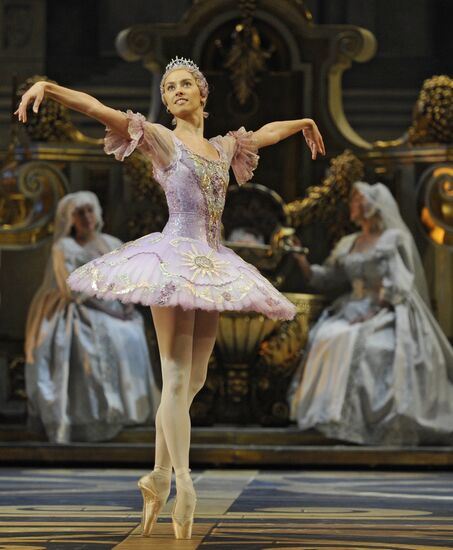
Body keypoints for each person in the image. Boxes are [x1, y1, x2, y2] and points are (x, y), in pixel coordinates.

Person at [15, 56, 325, 540]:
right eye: (169, 88)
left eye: (185, 85)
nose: (177, 92)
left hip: (212, 263)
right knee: (177, 378)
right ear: (165, 100)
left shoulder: (223, 148)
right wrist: (49, 87)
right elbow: (101, 110)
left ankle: (156, 475)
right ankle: (183, 482)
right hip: (173, 261)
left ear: (203, 94)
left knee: (193, 379)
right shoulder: (162, 139)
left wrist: (304, 121)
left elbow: (265, 134)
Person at [289, 181, 453, 446]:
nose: (352, 206)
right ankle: (329, 417)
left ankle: (362, 421)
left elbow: (399, 282)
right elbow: (329, 278)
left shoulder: (391, 240)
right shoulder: (349, 242)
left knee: (368, 344)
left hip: (384, 308)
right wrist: (302, 262)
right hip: (352, 306)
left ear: (371, 206)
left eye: (357, 201)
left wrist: (375, 310)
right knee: (329, 335)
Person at [25, 191, 159, 444]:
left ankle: (130, 408)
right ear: (70, 219)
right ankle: (97, 413)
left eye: (89, 211)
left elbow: (126, 279)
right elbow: (70, 287)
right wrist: (108, 309)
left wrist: (127, 303)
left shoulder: (111, 242)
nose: (86, 217)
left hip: (115, 307)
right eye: (79, 213)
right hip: (81, 307)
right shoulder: (64, 247)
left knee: (133, 329)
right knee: (100, 332)